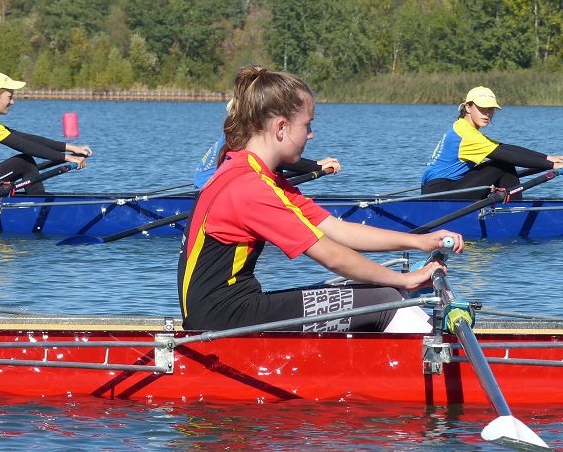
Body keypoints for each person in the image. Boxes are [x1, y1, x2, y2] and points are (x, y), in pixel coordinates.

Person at [177, 65, 464, 334]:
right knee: (386, 300)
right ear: (281, 127)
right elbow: (332, 256)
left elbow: (338, 230)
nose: (311, 135)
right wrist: (405, 279)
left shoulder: (255, 174)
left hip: (229, 309)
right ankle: (439, 362)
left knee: (385, 293)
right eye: (307, 125)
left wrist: (421, 241)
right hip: (221, 319)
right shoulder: (250, 187)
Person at [0, 71, 92, 194]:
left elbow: (26, 138)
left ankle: (36, 202)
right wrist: (67, 157)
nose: (12, 102)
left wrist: (73, 148)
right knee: (24, 162)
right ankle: (38, 207)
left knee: (26, 163)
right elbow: (24, 146)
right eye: (10, 97)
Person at [421, 86, 563, 195]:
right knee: (503, 165)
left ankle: (510, 209)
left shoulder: (463, 127)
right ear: (468, 107)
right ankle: (514, 212)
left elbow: (504, 148)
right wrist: (552, 165)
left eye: (490, 109)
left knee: (504, 164)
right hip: (439, 191)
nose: (487, 113)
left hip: (443, 187)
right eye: (482, 108)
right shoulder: (467, 135)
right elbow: (507, 155)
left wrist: (548, 158)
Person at [193, 102, 342, 188]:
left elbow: (278, 159)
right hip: (207, 189)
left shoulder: (244, 134)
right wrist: (316, 166)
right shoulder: (241, 139)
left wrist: (315, 165)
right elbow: (279, 159)